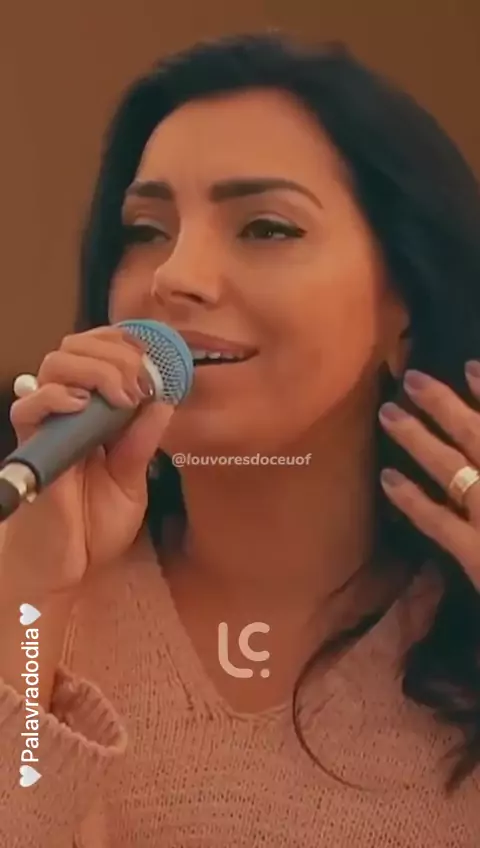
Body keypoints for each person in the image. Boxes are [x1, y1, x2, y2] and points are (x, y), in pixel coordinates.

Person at [1, 31, 480, 847]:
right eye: (145, 230)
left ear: (402, 301)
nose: (173, 276)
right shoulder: (32, 598)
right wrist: (27, 606)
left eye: (265, 228)